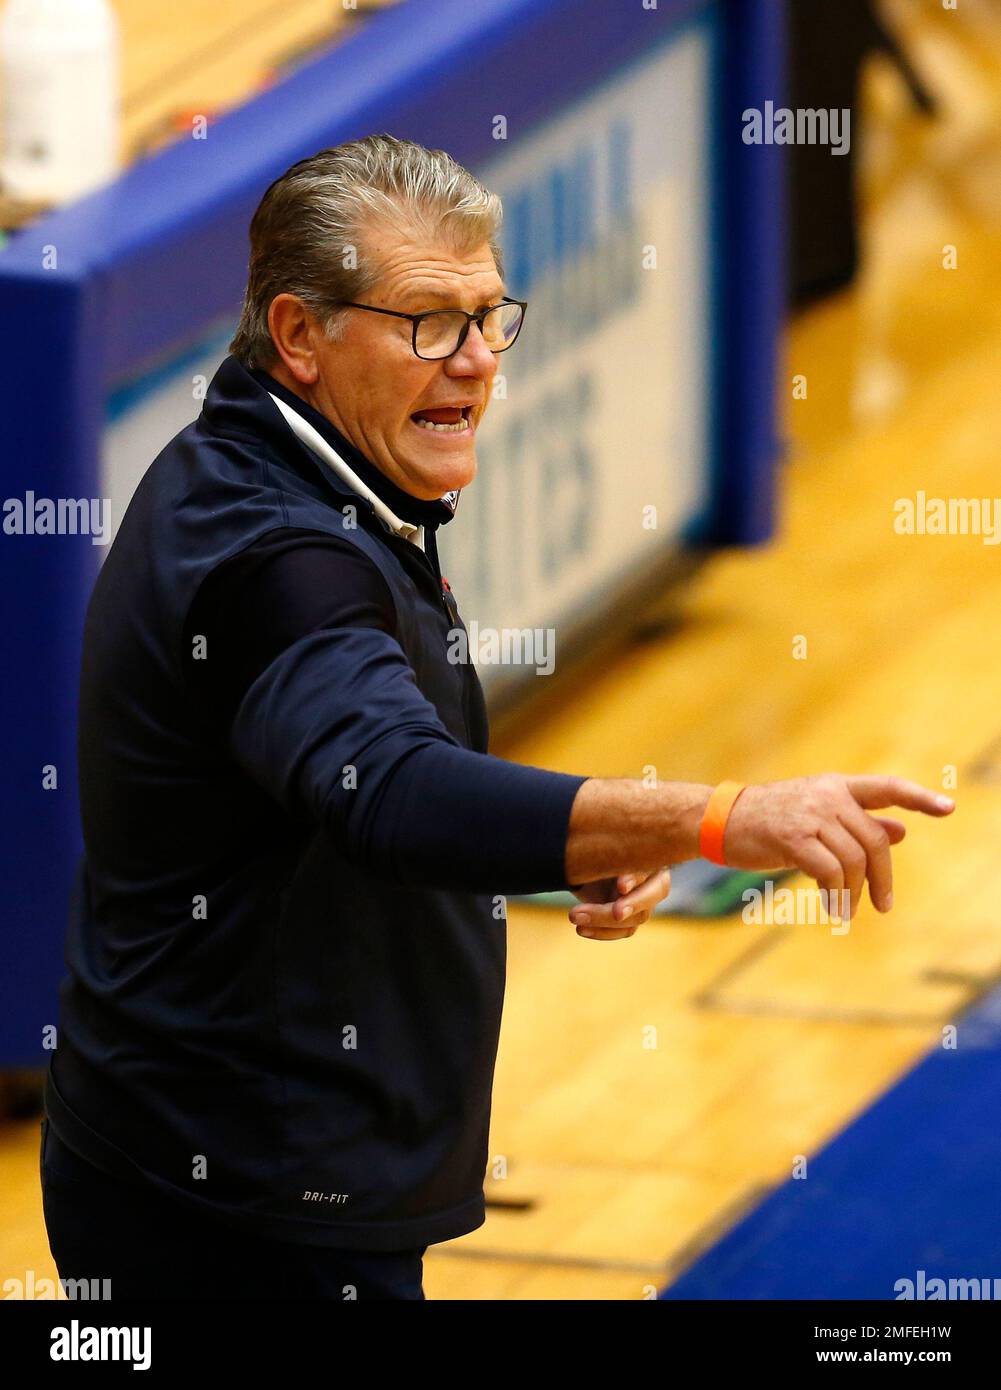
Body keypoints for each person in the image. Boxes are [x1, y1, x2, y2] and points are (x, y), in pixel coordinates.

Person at [41, 134, 954, 1301]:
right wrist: (719, 818)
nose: (475, 363)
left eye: (486, 317)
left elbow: (348, 793)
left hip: (240, 1168)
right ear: (299, 336)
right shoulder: (277, 563)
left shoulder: (291, 471)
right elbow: (396, 791)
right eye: (427, 322)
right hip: (241, 1210)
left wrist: (577, 843)